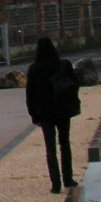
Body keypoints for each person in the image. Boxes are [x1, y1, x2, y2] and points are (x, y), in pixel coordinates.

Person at [25, 36, 82, 193]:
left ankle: (55, 183)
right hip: (63, 110)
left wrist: (33, 114)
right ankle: (68, 178)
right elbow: (74, 84)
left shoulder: (34, 69)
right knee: (65, 143)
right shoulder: (63, 65)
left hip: (45, 112)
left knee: (50, 148)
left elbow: (30, 94)